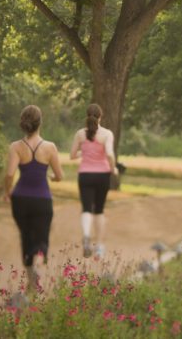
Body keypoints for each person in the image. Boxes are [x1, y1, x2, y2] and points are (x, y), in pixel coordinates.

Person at [4, 105, 63, 289]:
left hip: (20, 199)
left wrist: (8, 192)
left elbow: (10, 174)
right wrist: (52, 178)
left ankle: (31, 276)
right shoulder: (50, 147)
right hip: (42, 200)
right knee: (41, 238)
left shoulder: (15, 147)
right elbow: (59, 176)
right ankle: (37, 264)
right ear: (40, 123)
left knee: (26, 236)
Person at [69, 103, 118, 258]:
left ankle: (86, 235)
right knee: (99, 211)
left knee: (86, 208)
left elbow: (72, 155)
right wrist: (113, 168)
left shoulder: (80, 134)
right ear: (100, 116)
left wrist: (84, 153)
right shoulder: (106, 134)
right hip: (102, 175)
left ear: (87, 116)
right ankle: (99, 247)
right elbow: (109, 153)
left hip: (85, 174)